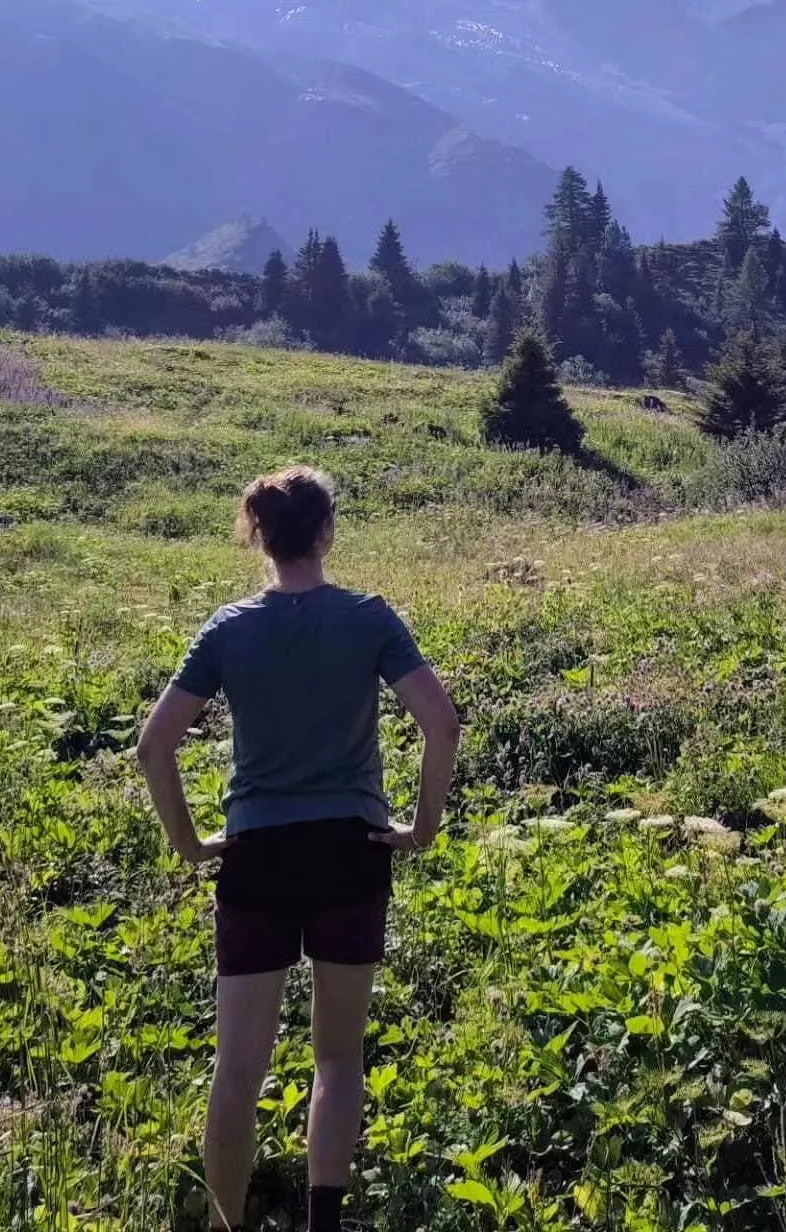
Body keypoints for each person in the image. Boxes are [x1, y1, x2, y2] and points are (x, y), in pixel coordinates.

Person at [136, 465, 461, 1232]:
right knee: (338, 1059)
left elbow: (154, 746)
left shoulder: (228, 628)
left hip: (257, 856)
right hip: (352, 848)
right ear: (327, 531)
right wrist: (422, 827)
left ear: (258, 534)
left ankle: (227, 1223)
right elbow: (441, 724)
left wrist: (190, 843)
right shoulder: (370, 618)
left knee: (238, 1070)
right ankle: (322, 1220)